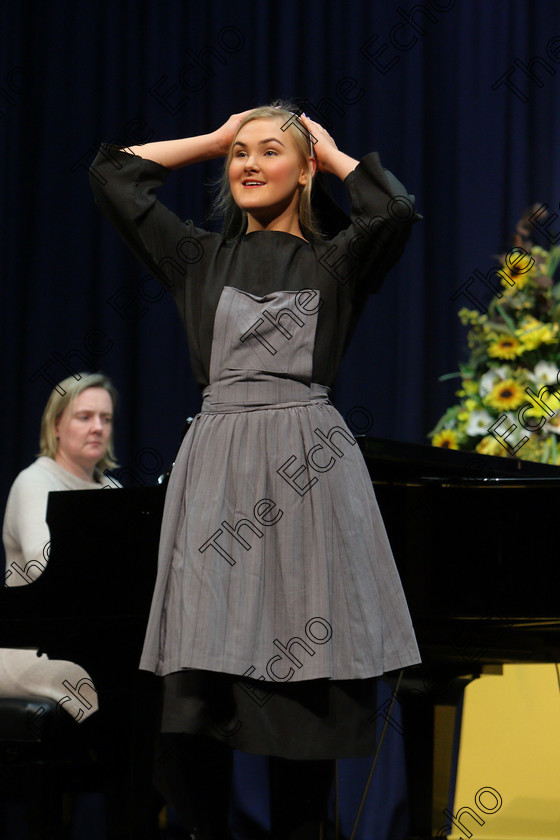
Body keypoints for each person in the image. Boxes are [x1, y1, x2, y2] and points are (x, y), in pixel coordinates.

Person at [90, 102, 422, 839]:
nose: (246, 163)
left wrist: (332, 153)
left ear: (303, 170)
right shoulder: (198, 257)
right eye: (237, 154)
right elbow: (113, 176)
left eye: (269, 151)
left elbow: (395, 210)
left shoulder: (337, 259)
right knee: (192, 708)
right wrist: (210, 138)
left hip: (308, 474)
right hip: (218, 471)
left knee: (302, 705)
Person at [1, 372, 118, 722]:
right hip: (29, 650)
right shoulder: (35, 481)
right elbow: (43, 566)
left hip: (92, 641)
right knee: (99, 681)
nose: (97, 427)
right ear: (55, 426)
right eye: (84, 417)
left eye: (105, 418)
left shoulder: (113, 489)